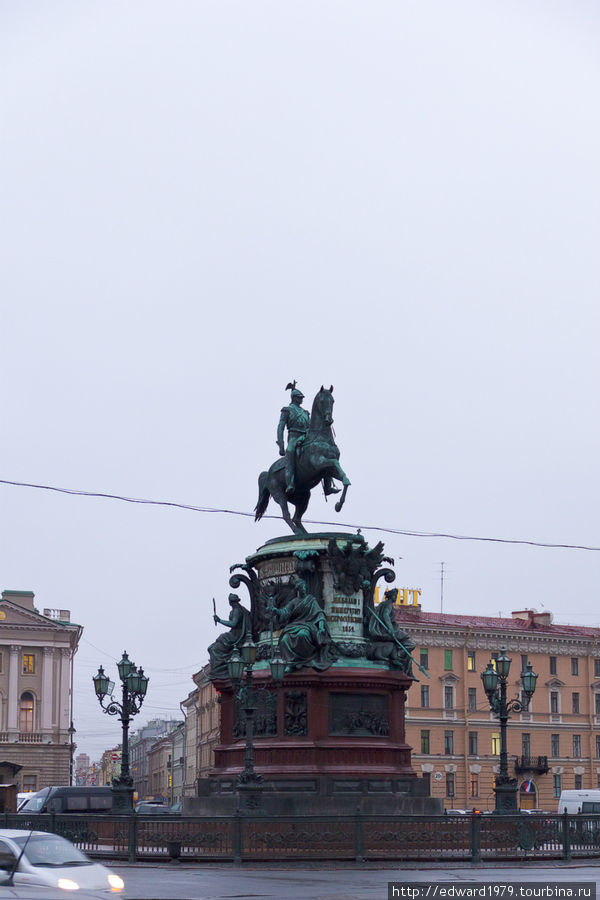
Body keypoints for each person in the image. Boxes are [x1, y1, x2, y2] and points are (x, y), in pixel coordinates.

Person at [277, 382, 340, 497]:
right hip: (293, 437)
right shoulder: (286, 410)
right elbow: (280, 427)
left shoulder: (305, 413)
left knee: (322, 452)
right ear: (294, 398)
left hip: (306, 436)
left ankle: (328, 485)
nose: (301, 400)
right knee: (290, 452)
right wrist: (281, 444)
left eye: (301, 398)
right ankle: (290, 482)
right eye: (299, 398)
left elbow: (311, 426)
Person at [269, 577, 337, 672]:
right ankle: (290, 663)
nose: (304, 589)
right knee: (284, 640)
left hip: (308, 625)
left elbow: (319, 613)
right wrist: (276, 611)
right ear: (298, 589)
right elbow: (285, 612)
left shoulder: (311, 600)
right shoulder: (294, 602)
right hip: (295, 625)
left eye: (305, 587)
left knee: (302, 635)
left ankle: (304, 660)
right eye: (302, 587)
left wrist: (321, 626)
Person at [366, 588, 416, 675]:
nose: (396, 597)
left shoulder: (383, 604)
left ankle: (397, 655)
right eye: (395, 596)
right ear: (392, 596)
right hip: (389, 630)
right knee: (410, 643)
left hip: (384, 630)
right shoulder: (388, 604)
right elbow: (386, 615)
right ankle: (397, 656)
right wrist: (391, 629)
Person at [208, 594, 252, 679]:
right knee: (212, 648)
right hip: (234, 633)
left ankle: (219, 669)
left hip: (236, 635)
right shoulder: (238, 609)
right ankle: (219, 668)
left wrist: (219, 620)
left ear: (231, 602)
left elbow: (233, 624)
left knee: (213, 649)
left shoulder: (237, 610)